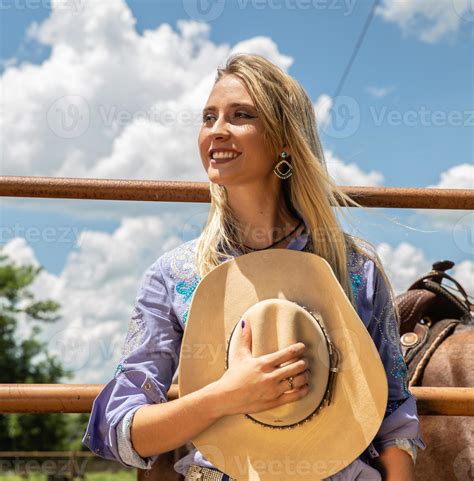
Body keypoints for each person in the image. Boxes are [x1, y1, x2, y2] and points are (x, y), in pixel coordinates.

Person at [82, 53, 426, 480]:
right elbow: (122, 429)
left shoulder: (355, 268)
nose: (216, 131)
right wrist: (228, 394)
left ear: (285, 139)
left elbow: (393, 410)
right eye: (208, 118)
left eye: (239, 115)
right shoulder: (174, 275)